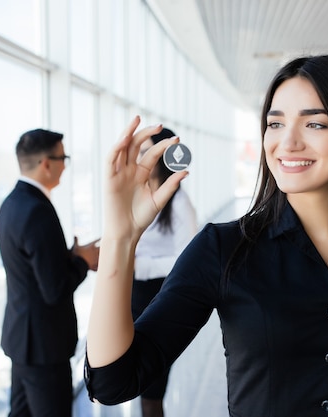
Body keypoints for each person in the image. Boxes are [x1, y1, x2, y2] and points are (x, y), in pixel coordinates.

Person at [84, 55, 328, 416]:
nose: (288, 142)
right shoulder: (222, 250)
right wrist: (120, 239)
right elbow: (114, 382)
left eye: (315, 124)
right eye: (275, 123)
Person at [0, 128, 100, 417]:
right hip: (44, 345)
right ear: (46, 163)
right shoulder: (38, 210)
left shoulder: (11, 204)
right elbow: (54, 289)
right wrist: (84, 262)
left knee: (20, 413)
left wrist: (71, 255)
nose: (65, 165)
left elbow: (30, 267)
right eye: (63, 157)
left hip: (22, 340)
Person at [131, 128, 198, 417]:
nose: (142, 157)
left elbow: (187, 259)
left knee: (152, 390)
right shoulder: (137, 194)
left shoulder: (180, 204)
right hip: (132, 295)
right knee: (137, 381)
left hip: (157, 298)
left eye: (149, 150)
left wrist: (140, 266)